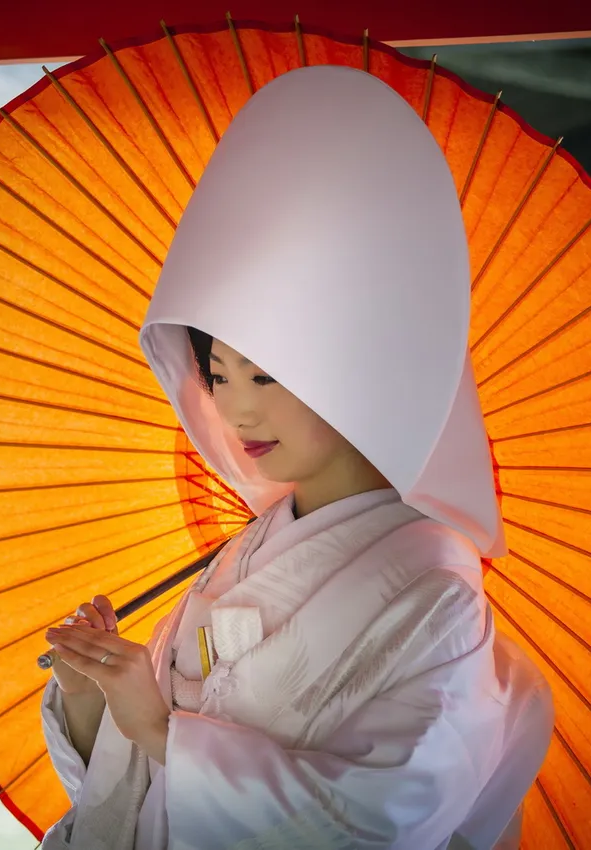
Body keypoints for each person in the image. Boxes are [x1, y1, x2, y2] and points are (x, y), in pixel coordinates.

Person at [38, 66, 554, 850]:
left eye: (266, 376)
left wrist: (163, 731)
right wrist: (95, 696)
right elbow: (139, 777)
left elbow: (382, 817)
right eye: (217, 375)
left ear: (357, 370)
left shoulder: (437, 595)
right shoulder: (243, 550)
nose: (237, 409)